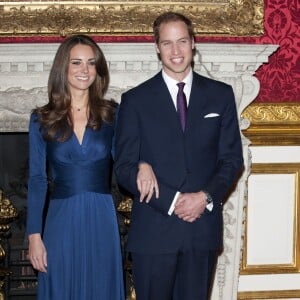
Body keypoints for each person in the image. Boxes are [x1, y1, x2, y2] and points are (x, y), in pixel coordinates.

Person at [115, 12, 244, 300]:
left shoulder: (220, 95)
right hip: (154, 233)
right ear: (157, 48)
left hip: (202, 232)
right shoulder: (135, 101)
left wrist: (204, 197)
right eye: (167, 43)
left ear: (193, 43)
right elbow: (123, 168)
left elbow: (232, 159)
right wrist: (166, 194)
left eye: (182, 41)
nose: (176, 51)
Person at [27, 34, 125, 300]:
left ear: (98, 69)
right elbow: (37, 179)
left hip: (101, 216)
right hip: (61, 218)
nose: (85, 70)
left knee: (100, 286)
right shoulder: (41, 119)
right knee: (60, 284)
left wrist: (148, 167)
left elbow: (128, 163)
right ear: (63, 68)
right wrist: (34, 235)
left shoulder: (111, 115)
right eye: (77, 63)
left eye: (91, 63)